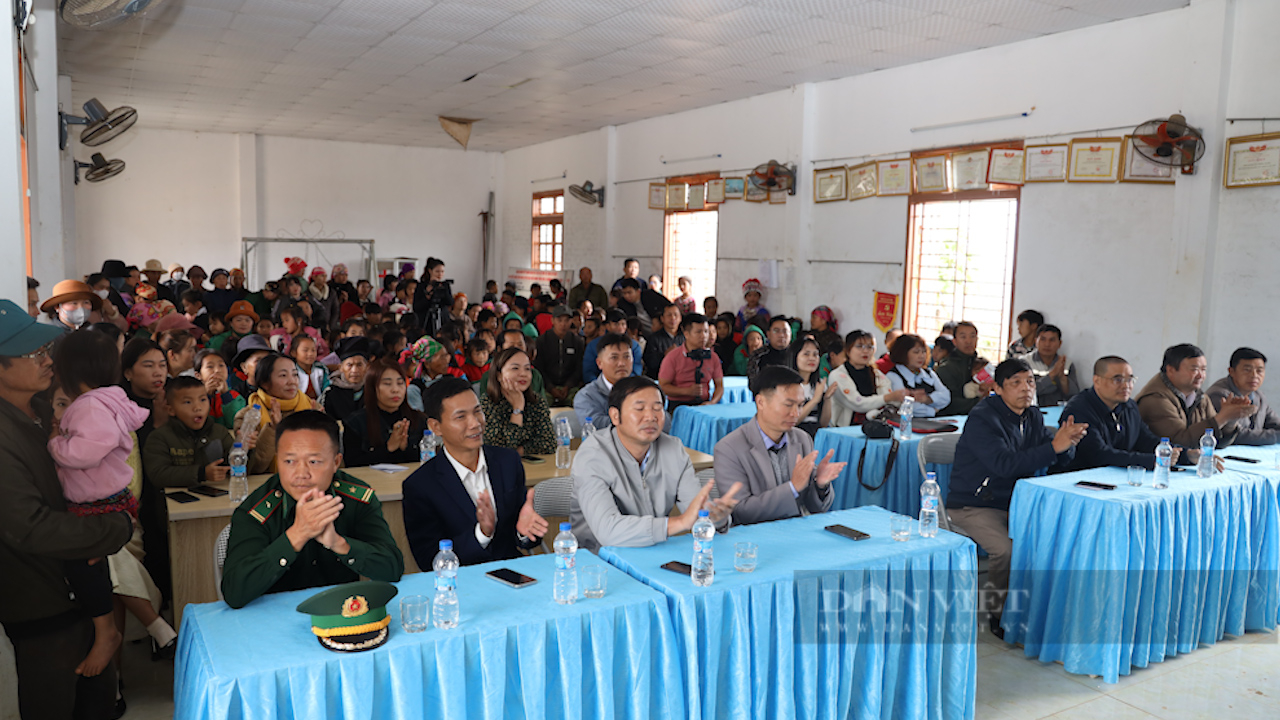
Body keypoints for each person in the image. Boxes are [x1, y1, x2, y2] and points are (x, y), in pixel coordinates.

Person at [0, 302, 134, 720]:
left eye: (44, 350)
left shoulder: (45, 409)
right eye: (30, 354)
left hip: (80, 590)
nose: (46, 360)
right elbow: (29, 527)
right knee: (54, 703)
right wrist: (117, 526)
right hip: (42, 603)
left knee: (98, 702)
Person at [946, 358, 1087, 638]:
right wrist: (1053, 447)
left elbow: (1049, 459)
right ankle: (999, 614)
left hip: (1014, 502)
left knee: (1054, 536)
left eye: (1030, 382)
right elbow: (1004, 465)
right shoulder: (983, 417)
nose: (1026, 389)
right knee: (1006, 550)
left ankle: (1037, 609)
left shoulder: (1032, 416)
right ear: (997, 388)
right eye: (1016, 383)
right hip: (972, 504)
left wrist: (1066, 445)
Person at [46, 331, 152, 679]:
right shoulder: (107, 400)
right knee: (91, 565)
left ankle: (106, 631)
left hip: (96, 501)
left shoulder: (89, 405)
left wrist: (56, 444)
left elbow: (88, 450)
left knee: (81, 564)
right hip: (106, 498)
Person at [220, 411, 404, 609]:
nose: (301, 474)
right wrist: (297, 535)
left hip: (341, 616)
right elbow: (234, 592)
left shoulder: (356, 499)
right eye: (289, 461)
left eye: (314, 462)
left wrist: (339, 544)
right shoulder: (256, 511)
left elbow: (392, 568)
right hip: (274, 620)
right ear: (277, 460)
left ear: (335, 462)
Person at [570, 376, 743, 552]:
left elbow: (696, 512)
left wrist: (715, 518)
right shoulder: (592, 455)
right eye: (639, 409)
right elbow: (608, 531)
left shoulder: (673, 449)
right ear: (615, 416)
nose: (651, 417)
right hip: (597, 561)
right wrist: (680, 522)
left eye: (657, 408)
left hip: (653, 552)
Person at [402, 378, 549, 567]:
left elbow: (522, 536)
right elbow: (428, 559)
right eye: (460, 417)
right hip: (460, 584)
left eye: (477, 411)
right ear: (435, 427)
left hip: (512, 574)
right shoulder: (421, 485)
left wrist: (524, 532)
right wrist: (482, 534)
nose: (475, 423)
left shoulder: (508, 462)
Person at [713, 367, 844, 524]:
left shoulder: (802, 439)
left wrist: (820, 486)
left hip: (795, 532)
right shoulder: (729, 448)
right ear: (761, 402)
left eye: (800, 405)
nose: (796, 413)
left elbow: (815, 508)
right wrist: (792, 488)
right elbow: (741, 512)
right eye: (788, 405)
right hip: (754, 540)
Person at [1057, 356, 1174, 472]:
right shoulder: (1079, 409)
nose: (1126, 386)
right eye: (1118, 380)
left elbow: (1145, 440)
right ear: (1097, 381)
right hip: (1081, 479)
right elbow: (1098, 455)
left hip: (1118, 476)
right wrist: (1152, 461)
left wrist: (1180, 453)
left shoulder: (1129, 406)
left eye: (1130, 380)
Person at [1137, 343, 1251, 452]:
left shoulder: (1200, 397)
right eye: (1194, 369)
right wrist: (1222, 417)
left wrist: (1231, 420)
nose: (1201, 375)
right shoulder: (1155, 399)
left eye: (1203, 369)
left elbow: (1215, 442)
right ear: (1170, 370)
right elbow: (1180, 443)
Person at [234, 352, 316, 474]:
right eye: (283, 375)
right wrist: (273, 429)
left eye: (295, 375)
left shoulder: (312, 407)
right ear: (265, 383)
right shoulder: (248, 416)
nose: (292, 381)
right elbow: (254, 467)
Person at [341, 359, 425, 468]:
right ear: (372, 388)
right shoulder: (355, 423)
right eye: (387, 384)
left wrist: (406, 447)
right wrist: (388, 447)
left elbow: (426, 462)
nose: (395, 389)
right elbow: (352, 464)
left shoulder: (419, 419)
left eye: (400, 383)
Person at [480, 346, 556, 456]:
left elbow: (549, 443)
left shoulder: (536, 401)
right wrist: (517, 409)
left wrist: (519, 451)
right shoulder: (487, 402)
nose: (523, 374)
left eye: (527, 368)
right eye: (515, 368)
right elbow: (497, 449)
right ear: (499, 375)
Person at [827, 330, 904, 427]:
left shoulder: (876, 374)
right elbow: (858, 404)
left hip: (874, 427)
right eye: (859, 346)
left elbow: (890, 401)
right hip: (845, 430)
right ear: (848, 350)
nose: (866, 351)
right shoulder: (838, 375)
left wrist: (903, 397)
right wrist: (888, 398)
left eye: (869, 347)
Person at [1207, 348, 1280, 445]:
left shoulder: (1259, 395)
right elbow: (1238, 435)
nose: (1254, 375)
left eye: (1259, 371)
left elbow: (1274, 423)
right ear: (1231, 371)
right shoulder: (1220, 395)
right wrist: (1276, 436)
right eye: (1247, 370)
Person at [658, 313, 723, 409]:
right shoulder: (672, 357)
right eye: (698, 332)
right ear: (686, 334)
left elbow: (719, 385)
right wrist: (686, 391)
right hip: (678, 406)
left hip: (704, 405)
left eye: (706, 331)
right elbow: (663, 386)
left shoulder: (713, 357)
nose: (704, 336)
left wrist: (712, 402)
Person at [575, 333, 635, 432]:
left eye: (626, 357)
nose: (621, 363)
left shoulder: (644, 390)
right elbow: (596, 425)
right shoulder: (586, 396)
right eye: (614, 357)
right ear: (599, 363)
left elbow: (664, 420)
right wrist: (638, 420)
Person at [883, 333, 951, 417]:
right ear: (902, 353)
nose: (921, 356)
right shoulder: (893, 375)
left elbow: (946, 396)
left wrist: (927, 399)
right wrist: (933, 411)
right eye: (916, 352)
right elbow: (908, 406)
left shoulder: (928, 373)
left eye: (924, 352)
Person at [934, 321, 992, 415]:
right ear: (955, 341)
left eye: (972, 336)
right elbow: (950, 404)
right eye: (963, 337)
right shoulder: (946, 368)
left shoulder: (981, 365)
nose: (968, 341)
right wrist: (981, 401)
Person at [534, 304, 585, 406]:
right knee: (542, 404)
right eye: (559, 320)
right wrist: (551, 388)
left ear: (571, 321)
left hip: (570, 387)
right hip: (547, 386)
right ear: (552, 321)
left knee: (578, 403)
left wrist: (568, 386)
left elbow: (579, 367)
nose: (563, 324)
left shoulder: (578, 341)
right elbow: (539, 367)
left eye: (567, 320)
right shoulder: (542, 341)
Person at [1018, 324, 1079, 405]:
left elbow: (1074, 395)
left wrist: (1062, 378)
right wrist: (1052, 375)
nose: (1047, 344)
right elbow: (1024, 391)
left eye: (1052, 340)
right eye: (1043, 339)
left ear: (1060, 343)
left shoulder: (1067, 364)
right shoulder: (1024, 362)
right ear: (1036, 341)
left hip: (1058, 410)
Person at [319, 337, 373, 421]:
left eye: (359, 365)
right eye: (349, 365)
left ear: (367, 367)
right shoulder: (330, 394)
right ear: (341, 367)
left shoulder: (373, 390)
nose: (354, 370)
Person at [789, 333, 833, 435]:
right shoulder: (787, 386)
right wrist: (814, 400)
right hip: (794, 435)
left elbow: (823, 423)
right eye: (806, 354)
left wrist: (827, 399)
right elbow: (792, 422)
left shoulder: (819, 384)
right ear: (794, 356)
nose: (812, 358)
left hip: (815, 434)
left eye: (815, 354)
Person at [583, 308, 642, 383]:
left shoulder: (634, 345)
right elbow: (589, 372)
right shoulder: (593, 345)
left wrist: (624, 386)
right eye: (616, 324)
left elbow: (636, 370)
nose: (620, 328)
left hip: (628, 387)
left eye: (623, 324)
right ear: (607, 326)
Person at [194, 348, 245, 431]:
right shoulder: (193, 396)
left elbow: (234, 423)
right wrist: (206, 397)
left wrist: (226, 395)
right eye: (210, 366)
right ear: (198, 375)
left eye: (221, 365)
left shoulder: (236, 396)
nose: (217, 370)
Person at [643, 303, 684, 379]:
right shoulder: (653, 338)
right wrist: (665, 355)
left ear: (680, 318)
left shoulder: (685, 337)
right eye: (669, 315)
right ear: (662, 319)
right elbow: (650, 363)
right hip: (659, 379)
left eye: (676, 315)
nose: (673, 318)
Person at [413, 257, 453, 334]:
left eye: (442, 271)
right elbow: (416, 307)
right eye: (437, 271)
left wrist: (443, 290)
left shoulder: (445, 285)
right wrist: (427, 295)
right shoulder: (421, 286)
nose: (440, 274)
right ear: (430, 271)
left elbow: (450, 302)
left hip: (442, 319)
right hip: (426, 321)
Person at [746, 315, 792, 381]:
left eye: (785, 331)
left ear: (790, 334)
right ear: (768, 334)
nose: (781, 335)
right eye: (776, 331)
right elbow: (753, 383)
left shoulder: (798, 354)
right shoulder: (757, 355)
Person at [290, 334, 329, 401]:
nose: (310, 354)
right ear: (294, 353)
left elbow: (326, 390)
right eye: (305, 350)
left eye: (313, 350)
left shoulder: (321, 369)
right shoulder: (291, 372)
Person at [307, 267, 340, 332]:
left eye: (325, 276)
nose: (324, 278)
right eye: (322, 276)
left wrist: (331, 326)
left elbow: (335, 310)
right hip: (313, 327)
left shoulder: (331, 292)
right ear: (314, 277)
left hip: (329, 326)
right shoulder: (308, 293)